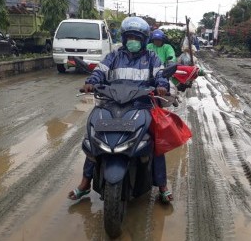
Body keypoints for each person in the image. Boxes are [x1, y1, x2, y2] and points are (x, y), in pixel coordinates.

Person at [68, 16, 174, 203]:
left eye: (137, 37)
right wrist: (91, 83)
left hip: (141, 104)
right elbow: (99, 71)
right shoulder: (114, 56)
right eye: (130, 37)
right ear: (125, 39)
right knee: (94, 136)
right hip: (112, 103)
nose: (133, 41)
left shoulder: (152, 58)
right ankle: (85, 182)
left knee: (156, 140)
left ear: (144, 39)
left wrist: (162, 85)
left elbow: (160, 76)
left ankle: (162, 185)